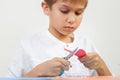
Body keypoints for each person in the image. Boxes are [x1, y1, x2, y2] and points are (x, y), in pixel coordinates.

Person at [7, 0, 112, 77]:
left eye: (78, 13)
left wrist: (101, 67)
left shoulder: (87, 44)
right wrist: (37, 72)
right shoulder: (28, 46)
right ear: (46, 8)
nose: (71, 20)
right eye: (64, 11)